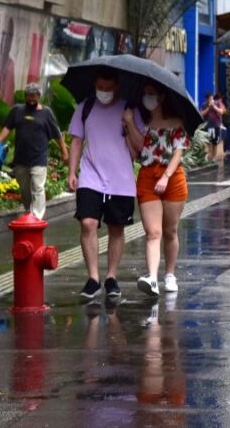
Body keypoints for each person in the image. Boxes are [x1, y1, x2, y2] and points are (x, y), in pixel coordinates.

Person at [68, 66, 146, 301]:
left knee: (116, 228)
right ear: (94, 85)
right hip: (90, 176)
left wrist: (130, 122)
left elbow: (141, 146)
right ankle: (93, 279)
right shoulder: (86, 107)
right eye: (100, 88)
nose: (104, 92)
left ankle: (111, 277)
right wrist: (72, 171)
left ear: (117, 87)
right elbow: (76, 141)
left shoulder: (129, 109)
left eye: (108, 88)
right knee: (88, 223)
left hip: (120, 179)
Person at [124, 81, 189, 296]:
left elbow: (179, 152)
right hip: (147, 176)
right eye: (145, 94)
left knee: (170, 231)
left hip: (172, 177)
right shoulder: (143, 122)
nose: (147, 98)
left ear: (161, 97)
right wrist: (129, 123)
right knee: (153, 232)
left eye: (151, 94)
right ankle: (151, 277)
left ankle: (169, 274)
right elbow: (140, 147)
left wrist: (166, 175)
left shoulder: (176, 122)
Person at [0, 83, 68, 219]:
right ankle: (29, 212)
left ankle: (37, 217)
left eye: (34, 97)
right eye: (28, 96)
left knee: (38, 187)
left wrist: (64, 152)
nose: (31, 99)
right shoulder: (17, 110)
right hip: (21, 159)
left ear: (39, 97)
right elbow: (7, 127)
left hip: (39, 159)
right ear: (25, 96)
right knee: (24, 190)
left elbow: (57, 134)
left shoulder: (46, 113)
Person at [199, 92, 226, 160]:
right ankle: (209, 157)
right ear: (206, 99)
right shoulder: (204, 105)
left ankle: (213, 157)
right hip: (207, 126)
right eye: (209, 99)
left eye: (211, 98)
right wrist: (208, 108)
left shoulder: (217, 103)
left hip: (216, 125)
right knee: (208, 142)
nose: (210, 100)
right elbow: (201, 114)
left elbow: (222, 112)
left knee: (215, 143)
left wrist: (213, 107)